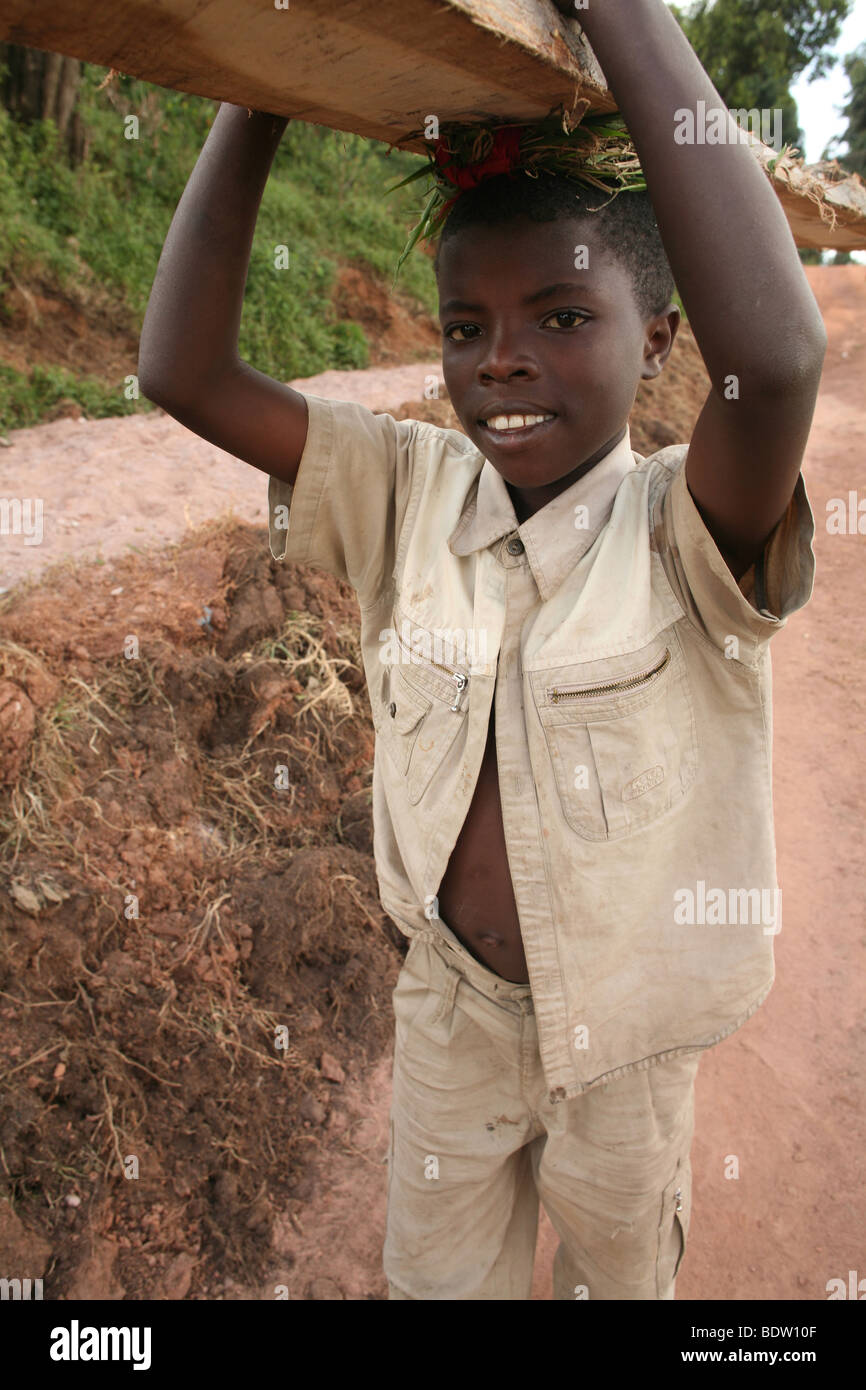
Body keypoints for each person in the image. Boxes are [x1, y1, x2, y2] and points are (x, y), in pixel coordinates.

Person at [137, 0, 825, 1300]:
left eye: (563, 317)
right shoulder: (405, 490)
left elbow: (779, 361)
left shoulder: (688, 523)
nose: (502, 361)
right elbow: (183, 368)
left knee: (616, 1279)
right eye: (464, 327)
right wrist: (268, 82)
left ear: (662, 336)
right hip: (449, 1014)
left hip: (622, 1033)